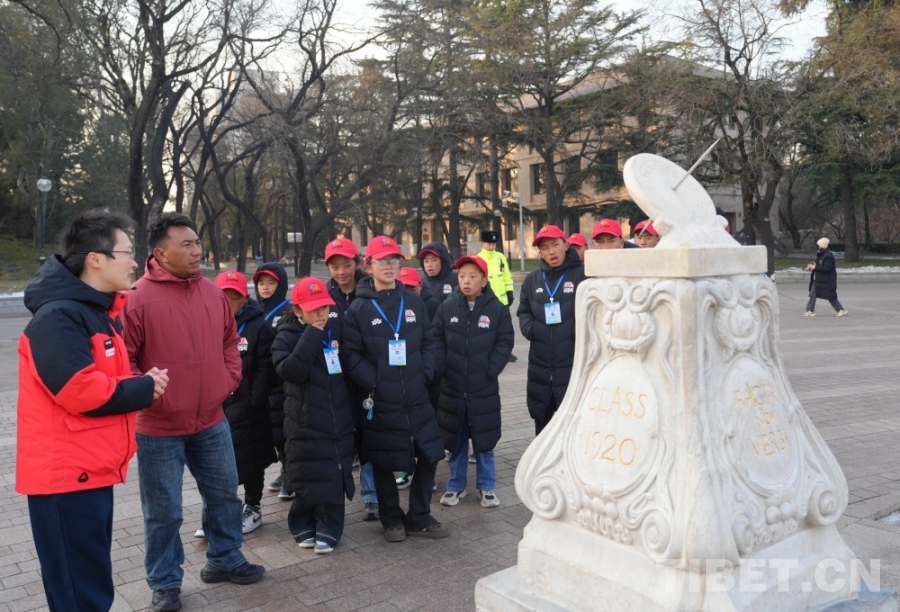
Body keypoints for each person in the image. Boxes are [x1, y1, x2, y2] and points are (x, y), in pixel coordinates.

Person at [17, 211, 168, 612]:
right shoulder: (59, 316)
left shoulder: (97, 313)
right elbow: (79, 390)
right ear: (95, 259)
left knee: (89, 585)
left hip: (88, 471)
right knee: (80, 593)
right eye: (127, 252)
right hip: (66, 480)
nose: (134, 262)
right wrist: (144, 388)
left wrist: (141, 381)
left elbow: (107, 378)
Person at [124, 213, 264, 612]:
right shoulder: (137, 298)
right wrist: (149, 396)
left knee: (224, 495)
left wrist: (228, 380)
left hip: (211, 420)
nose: (196, 250)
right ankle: (165, 582)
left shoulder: (212, 293)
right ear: (160, 253)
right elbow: (125, 363)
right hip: (158, 427)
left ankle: (225, 558)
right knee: (163, 512)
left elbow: (229, 342)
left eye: (197, 242)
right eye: (185, 244)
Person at [342, 236, 449, 542]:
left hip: (416, 394)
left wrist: (424, 371)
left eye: (394, 260)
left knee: (429, 453)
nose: (389, 266)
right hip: (380, 398)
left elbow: (428, 341)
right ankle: (391, 518)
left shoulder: (414, 302)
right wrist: (375, 381)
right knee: (382, 458)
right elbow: (351, 355)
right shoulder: (358, 309)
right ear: (369, 266)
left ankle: (419, 515)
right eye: (382, 261)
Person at [272, 277, 355, 555]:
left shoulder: (336, 328)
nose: (321, 314)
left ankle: (330, 526)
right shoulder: (285, 336)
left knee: (332, 473)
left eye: (325, 308)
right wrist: (311, 335)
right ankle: (302, 522)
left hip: (336, 416)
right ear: (297, 311)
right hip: (303, 419)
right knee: (306, 472)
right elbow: (290, 371)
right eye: (313, 309)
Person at [434, 255, 514, 508]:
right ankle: (455, 486)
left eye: (472, 276)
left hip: (483, 388)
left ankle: (487, 486)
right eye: (461, 276)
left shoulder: (497, 309)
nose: (466, 281)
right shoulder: (447, 307)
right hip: (453, 388)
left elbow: (505, 341)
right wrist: (444, 366)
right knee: (456, 442)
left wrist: (491, 369)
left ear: (484, 280)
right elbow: (435, 338)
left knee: (484, 441)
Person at [205, 271, 278, 536]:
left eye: (234, 297)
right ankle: (219, 512)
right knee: (215, 461)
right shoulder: (206, 323)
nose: (229, 303)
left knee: (251, 458)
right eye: (223, 297)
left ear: (245, 298)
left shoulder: (259, 326)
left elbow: (267, 367)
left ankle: (253, 507)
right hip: (217, 403)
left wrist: (253, 398)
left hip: (249, 405)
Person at [323, 237, 380, 522]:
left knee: (369, 437)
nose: (341, 271)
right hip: (336, 381)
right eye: (335, 266)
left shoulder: (370, 293)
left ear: (357, 264)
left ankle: (372, 496)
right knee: (341, 440)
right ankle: (336, 499)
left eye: (346, 264)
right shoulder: (323, 296)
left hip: (366, 378)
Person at [517, 225, 587, 435]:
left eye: (555, 245)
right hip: (540, 363)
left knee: (573, 427)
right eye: (545, 248)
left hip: (572, 361)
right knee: (542, 424)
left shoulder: (583, 275)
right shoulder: (533, 279)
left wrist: (575, 333)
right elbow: (524, 310)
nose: (551, 251)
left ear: (566, 245)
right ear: (540, 253)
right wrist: (531, 330)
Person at [252, 263, 295, 500]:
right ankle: (284, 470)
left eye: (271, 283)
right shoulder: (255, 310)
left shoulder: (288, 311)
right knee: (272, 431)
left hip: (282, 381)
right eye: (261, 283)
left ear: (281, 285)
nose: (266, 287)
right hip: (263, 380)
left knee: (285, 431)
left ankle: (291, 475)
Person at [477, 230, 517, 363]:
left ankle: (507, 351)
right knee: (487, 327)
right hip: (486, 301)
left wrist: (510, 292)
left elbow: (507, 275)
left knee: (505, 328)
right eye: (489, 244)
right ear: (482, 243)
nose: (491, 246)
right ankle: (488, 350)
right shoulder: (478, 259)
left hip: (502, 300)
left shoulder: (500, 257)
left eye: (493, 244)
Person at [805, 237, 848, 317]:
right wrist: (811, 267)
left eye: (818, 245)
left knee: (830, 295)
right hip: (819, 280)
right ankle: (810, 310)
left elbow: (827, 268)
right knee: (813, 293)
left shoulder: (828, 256)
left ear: (821, 246)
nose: (817, 246)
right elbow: (817, 265)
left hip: (827, 280)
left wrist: (815, 267)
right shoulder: (820, 255)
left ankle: (840, 309)